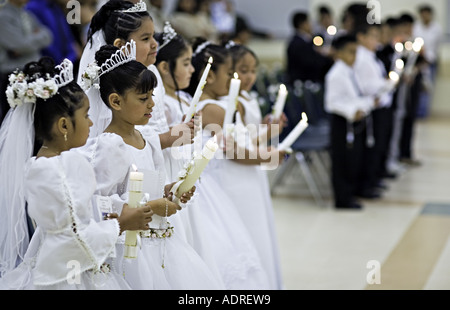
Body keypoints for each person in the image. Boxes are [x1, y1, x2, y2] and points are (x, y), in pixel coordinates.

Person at [79, 42, 224, 289]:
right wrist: (150, 206)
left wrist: (172, 190)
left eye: (152, 97)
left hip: (162, 242)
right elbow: (100, 204)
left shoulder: (147, 140)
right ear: (115, 101)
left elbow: (153, 185)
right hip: (131, 249)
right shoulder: (111, 145)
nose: (152, 105)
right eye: (143, 98)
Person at [0, 57, 151, 289]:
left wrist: (115, 212)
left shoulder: (65, 161)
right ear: (63, 126)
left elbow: (81, 212)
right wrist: (120, 225)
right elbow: (70, 240)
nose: (91, 124)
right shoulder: (45, 171)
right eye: (86, 115)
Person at [186, 37, 271, 289]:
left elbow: (240, 140)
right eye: (230, 73)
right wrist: (271, 156)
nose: (233, 79)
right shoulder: (213, 109)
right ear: (209, 77)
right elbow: (233, 149)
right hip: (230, 179)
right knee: (247, 232)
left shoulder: (213, 106)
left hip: (236, 175)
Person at [78, 0, 195, 154]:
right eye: (145, 39)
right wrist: (167, 138)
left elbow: (154, 126)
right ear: (121, 46)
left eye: (153, 36)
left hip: (160, 159)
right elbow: (114, 141)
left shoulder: (152, 71)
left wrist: (178, 128)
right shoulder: (114, 84)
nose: (155, 44)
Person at [224, 41, 286, 289]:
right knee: (247, 227)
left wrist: (270, 128)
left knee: (261, 225)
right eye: (243, 70)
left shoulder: (246, 96)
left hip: (252, 165)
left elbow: (250, 137)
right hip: (240, 169)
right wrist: (267, 145)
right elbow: (237, 144)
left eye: (253, 70)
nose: (249, 76)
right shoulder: (231, 102)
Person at [324, 34, 379, 210]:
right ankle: (342, 199)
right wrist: (351, 112)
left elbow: (354, 96)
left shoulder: (349, 71)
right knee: (343, 161)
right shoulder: (336, 74)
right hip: (341, 122)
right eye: (350, 52)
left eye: (356, 53)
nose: (354, 57)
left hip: (353, 121)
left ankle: (351, 193)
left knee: (353, 159)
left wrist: (368, 104)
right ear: (338, 54)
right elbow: (332, 102)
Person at [353, 23, 397, 199]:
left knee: (379, 145)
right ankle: (367, 184)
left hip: (381, 104)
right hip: (373, 106)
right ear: (361, 37)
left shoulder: (371, 56)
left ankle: (373, 179)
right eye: (372, 36)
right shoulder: (362, 58)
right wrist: (386, 84)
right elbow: (367, 85)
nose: (376, 40)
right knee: (371, 147)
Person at [0, 0, 52, 126]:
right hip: (13, 76)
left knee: (34, 122)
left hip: (32, 72)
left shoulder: (26, 13)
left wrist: (27, 43)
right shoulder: (3, 15)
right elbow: (19, 44)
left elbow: (48, 35)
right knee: (15, 123)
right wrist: (31, 40)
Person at [285, 11, 333, 86]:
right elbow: (310, 63)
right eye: (309, 22)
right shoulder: (297, 43)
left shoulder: (307, 40)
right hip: (303, 83)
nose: (311, 25)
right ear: (302, 24)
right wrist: (327, 57)